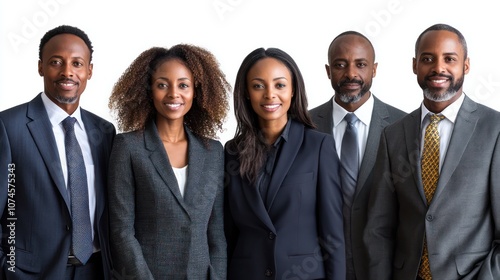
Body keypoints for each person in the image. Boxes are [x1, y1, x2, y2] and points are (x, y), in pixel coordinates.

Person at [363, 23, 500, 279]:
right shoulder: (393, 135)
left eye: (450, 59)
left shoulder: (494, 130)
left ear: (466, 65)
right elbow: (379, 227)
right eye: (428, 59)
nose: (438, 68)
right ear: (415, 65)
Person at [0, 25, 115, 279]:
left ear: (89, 71)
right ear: (40, 66)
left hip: (96, 270)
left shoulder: (105, 132)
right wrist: (8, 271)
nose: (67, 72)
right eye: (56, 62)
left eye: (77, 63)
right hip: (33, 273)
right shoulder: (8, 127)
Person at [107, 44, 230, 279]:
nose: (174, 94)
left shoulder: (213, 151)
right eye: (162, 85)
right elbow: (122, 231)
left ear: (196, 91)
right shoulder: (128, 147)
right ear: (149, 90)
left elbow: (216, 232)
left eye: (183, 85)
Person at [224, 47, 346, 280]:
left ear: (293, 91)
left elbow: (333, 234)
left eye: (279, 85)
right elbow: (227, 232)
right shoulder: (231, 152)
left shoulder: (318, 146)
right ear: (246, 93)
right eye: (258, 85)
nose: (270, 94)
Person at [309, 31, 406, 280]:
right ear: (328, 71)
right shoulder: (304, 125)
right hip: (317, 265)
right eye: (341, 65)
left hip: (385, 267)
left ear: (374, 69)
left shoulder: (405, 125)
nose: (351, 74)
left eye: (360, 64)